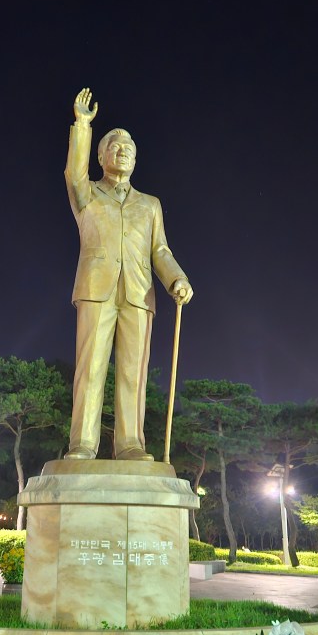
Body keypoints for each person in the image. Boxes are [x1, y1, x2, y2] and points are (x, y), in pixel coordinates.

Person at [64, 87, 193, 461]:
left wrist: (176, 279)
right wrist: (83, 126)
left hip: (139, 294)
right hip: (95, 289)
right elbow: (74, 172)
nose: (123, 152)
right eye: (115, 147)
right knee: (90, 369)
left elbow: (160, 250)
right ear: (102, 157)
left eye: (129, 150)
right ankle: (83, 445)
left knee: (133, 372)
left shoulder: (150, 205)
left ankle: (130, 443)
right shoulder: (86, 194)